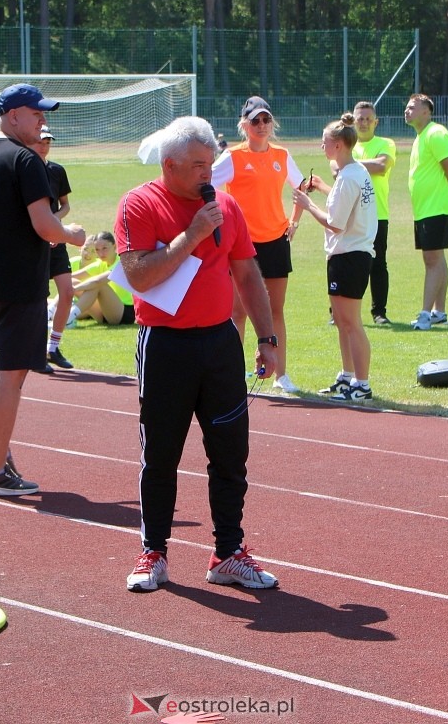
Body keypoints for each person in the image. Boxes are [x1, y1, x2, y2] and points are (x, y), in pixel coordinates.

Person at [117, 115, 280, 593]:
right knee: (161, 453)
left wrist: (266, 339)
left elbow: (248, 275)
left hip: (220, 343)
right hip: (165, 344)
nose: (207, 174)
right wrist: (190, 234)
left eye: (210, 164)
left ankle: (228, 553)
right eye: (196, 166)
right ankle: (154, 551)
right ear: (168, 165)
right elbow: (140, 276)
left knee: (231, 453)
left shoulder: (226, 207)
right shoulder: (139, 204)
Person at [0, 83, 85, 497]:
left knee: (5, 375)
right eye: (37, 114)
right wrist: (73, 235)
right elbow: (45, 225)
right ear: (13, 116)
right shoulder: (26, 159)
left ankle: (0, 458)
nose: (43, 120)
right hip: (18, 283)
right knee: (9, 378)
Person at [210, 95, 305, 394]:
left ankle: (281, 375)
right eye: (255, 121)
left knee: (276, 310)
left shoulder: (281, 155)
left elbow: (300, 186)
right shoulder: (233, 157)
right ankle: (233, 372)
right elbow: (206, 187)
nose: (262, 125)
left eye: (266, 120)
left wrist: (294, 220)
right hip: (241, 245)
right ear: (244, 125)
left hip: (276, 240)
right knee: (238, 311)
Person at [293, 113, 378, 403]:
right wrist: (323, 188)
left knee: (351, 322)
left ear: (339, 145)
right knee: (342, 321)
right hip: (348, 254)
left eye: (325, 142)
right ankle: (347, 375)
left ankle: (362, 384)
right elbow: (345, 202)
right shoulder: (353, 173)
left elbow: (335, 223)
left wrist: (307, 204)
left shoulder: (349, 177)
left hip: (350, 255)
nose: (322, 147)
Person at [404, 93, 448, 330]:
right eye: (407, 107)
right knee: (435, 258)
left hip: (436, 208)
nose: (407, 110)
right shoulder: (420, 137)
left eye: (412, 107)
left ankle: (425, 315)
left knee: (432, 259)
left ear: (426, 111)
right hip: (425, 209)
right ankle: (438, 312)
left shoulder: (436, 133)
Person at [29, 125, 77, 371]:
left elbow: (66, 205)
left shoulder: (57, 171)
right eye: (40, 141)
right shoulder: (25, 169)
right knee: (38, 297)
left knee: (67, 292)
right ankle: (35, 351)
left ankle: (53, 348)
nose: (45, 145)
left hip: (56, 238)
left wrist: (55, 220)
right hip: (34, 241)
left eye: (48, 142)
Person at [349, 101, 397, 325]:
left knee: (378, 265)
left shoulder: (386, 143)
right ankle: (339, 311)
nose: (364, 122)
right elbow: (334, 168)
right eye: (360, 118)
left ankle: (379, 312)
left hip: (377, 214)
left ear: (376, 122)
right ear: (353, 120)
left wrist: (350, 163)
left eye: (368, 119)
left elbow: (381, 166)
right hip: (349, 213)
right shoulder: (346, 143)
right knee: (348, 261)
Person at [71, 231, 134, 325]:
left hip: (124, 313)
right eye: (97, 249)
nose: (101, 253)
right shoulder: (100, 264)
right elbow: (70, 277)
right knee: (71, 281)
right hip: (105, 312)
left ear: (114, 246)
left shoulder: (121, 263)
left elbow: (98, 281)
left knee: (99, 285)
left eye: (105, 248)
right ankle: (54, 313)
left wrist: (74, 289)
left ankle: (68, 318)